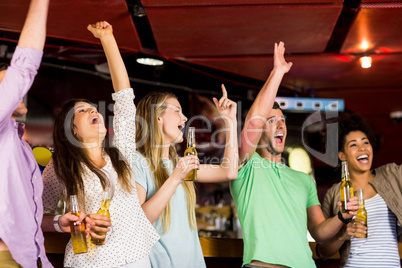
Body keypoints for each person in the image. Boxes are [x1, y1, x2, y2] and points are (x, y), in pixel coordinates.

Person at [229, 42, 358, 268]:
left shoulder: (303, 180)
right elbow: (254, 121)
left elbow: (319, 232)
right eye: (272, 121)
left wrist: (342, 217)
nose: (280, 125)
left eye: (282, 120)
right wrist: (277, 73)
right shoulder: (246, 167)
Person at [41, 21, 159, 267]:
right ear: (71, 129)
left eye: (94, 107)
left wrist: (107, 38)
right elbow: (37, 215)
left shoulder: (122, 154)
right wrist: (63, 222)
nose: (94, 109)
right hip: (91, 261)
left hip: (136, 258)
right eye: (83, 111)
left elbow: (125, 97)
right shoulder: (62, 165)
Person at [131, 84, 238, 267]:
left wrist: (230, 121)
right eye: (177, 111)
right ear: (158, 117)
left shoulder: (179, 164)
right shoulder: (137, 161)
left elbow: (229, 171)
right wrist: (175, 178)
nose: (185, 117)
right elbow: (138, 221)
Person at [0, 0, 54, 267]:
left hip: (33, 258)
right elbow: (23, 69)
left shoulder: (16, 140)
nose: (14, 90)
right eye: (5, 83)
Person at [316, 114, 402, 267]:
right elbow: (322, 251)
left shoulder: (392, 174)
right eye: (353, 145)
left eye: (365, 142)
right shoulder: (334, 193)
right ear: (342, 155)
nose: (362, 147)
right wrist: (342, 236)